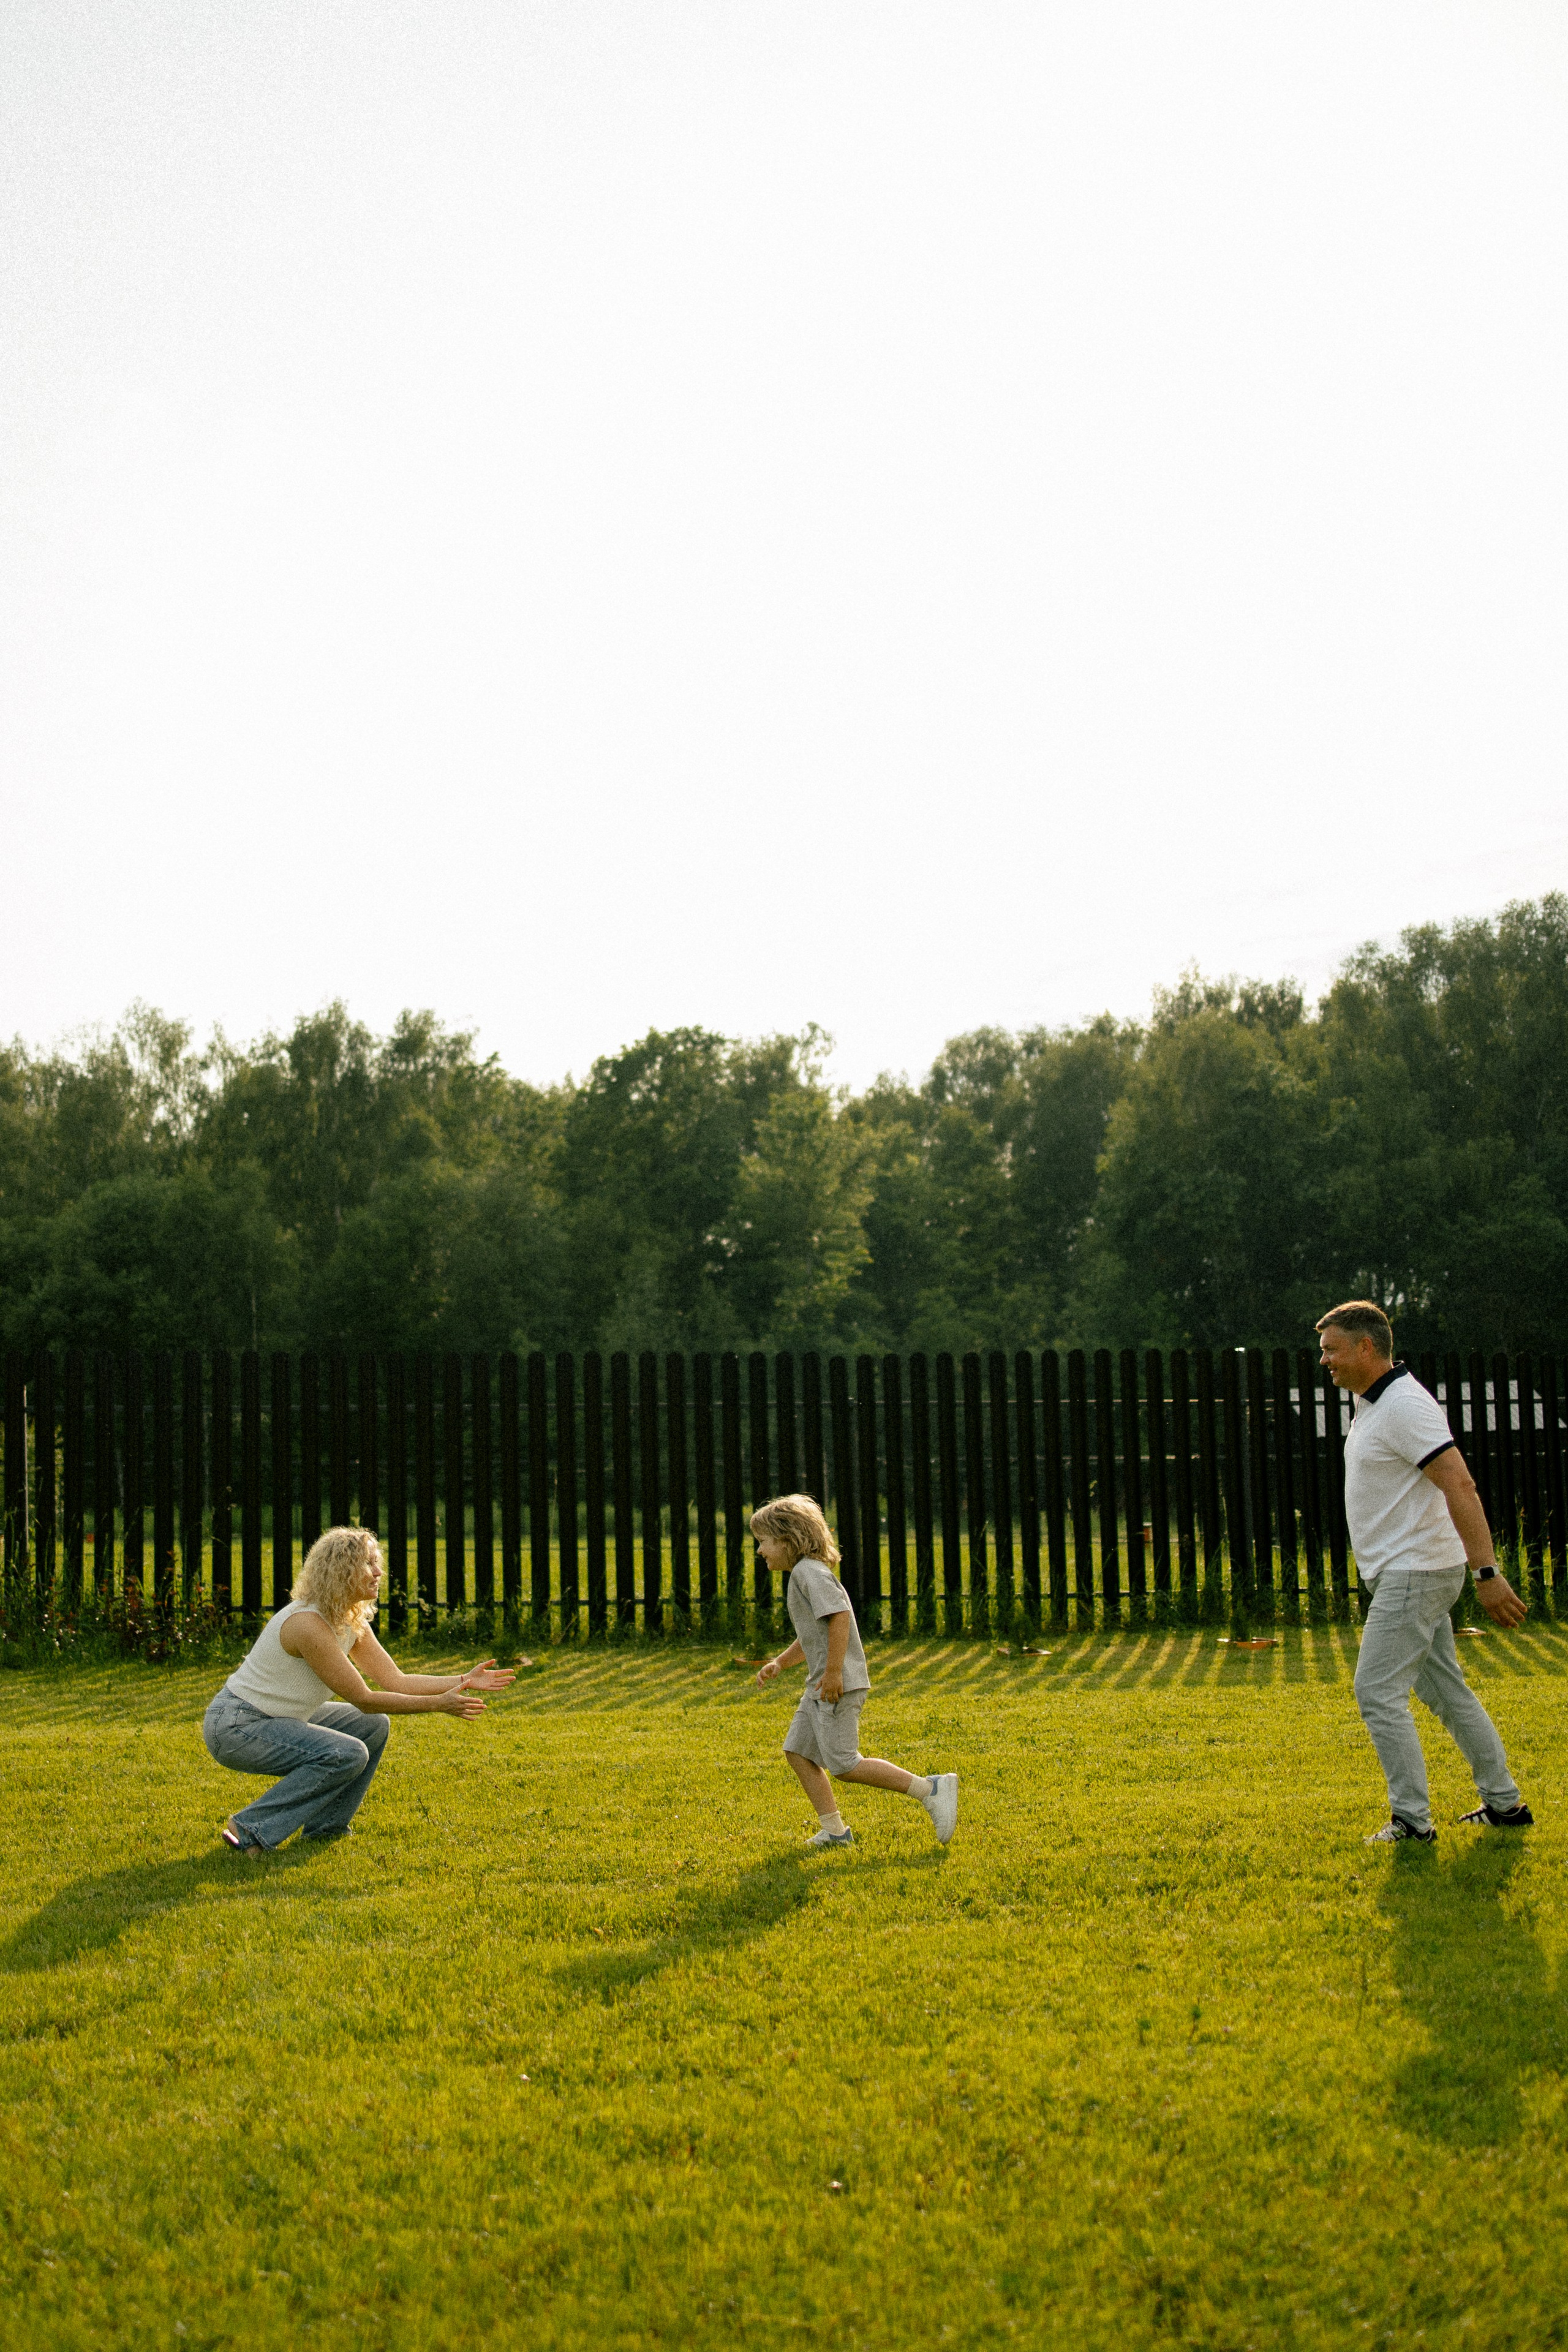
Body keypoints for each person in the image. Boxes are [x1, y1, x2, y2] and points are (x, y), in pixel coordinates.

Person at [1317, 1300, 1532, 1845]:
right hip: (1412, 1571)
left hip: (1415, 1573)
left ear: (1367, 1347)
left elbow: (1460, 1484)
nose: (1326, 1361)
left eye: (1333, 1350)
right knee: (1446, 1691)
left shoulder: (1405, 1407)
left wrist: (1488, 1573)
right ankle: (1505, 1805)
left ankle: (1412, 1821)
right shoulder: (1373, 1404)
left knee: (1377, 1692)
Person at [203, 1524, 514, 1852]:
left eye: (377, 1562)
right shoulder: (308, 1624)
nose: (379, 1572)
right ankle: (252, 1826)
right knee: (347, 1753)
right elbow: (364, 1698)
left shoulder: (349, 1618)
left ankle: (326, 1829)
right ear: (342, 1571)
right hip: (237, 1726)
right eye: (369, 1564)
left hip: (280, 1718)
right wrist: (439, 1704)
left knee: (372, 1726)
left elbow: (396, 1680)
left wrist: (463, 1680)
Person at [751, 1493, 958, 1849]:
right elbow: (814, 1634)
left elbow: (839, 1619)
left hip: (835, 1685)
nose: (760, 1551)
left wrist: (834, 1674)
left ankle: (930, 1789)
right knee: (798, 1752)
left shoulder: (808, 1573)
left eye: (764, 1542)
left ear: (789, 1538)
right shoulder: (804, 1574)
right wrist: (781, 1662)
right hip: (821, 1683)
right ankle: (834, 1831)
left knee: (845, 1765)